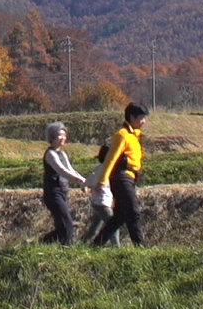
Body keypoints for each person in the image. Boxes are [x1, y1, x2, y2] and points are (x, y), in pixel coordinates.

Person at [91, 102, 148, 247]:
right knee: (132, 211)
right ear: (132, 117)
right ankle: (139, 245)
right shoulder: (122, 135)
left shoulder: (134, 135)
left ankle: (96, 245)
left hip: (130, 176)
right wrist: (102, 180)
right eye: (141, 118)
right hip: (121, 177)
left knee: (119, 217)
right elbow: (111, 158)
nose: (144, 122)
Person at [39, 121, 89, 244]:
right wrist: (79, 180)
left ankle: (43, 243)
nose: (63, 138)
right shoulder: (50, 154)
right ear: (52, 137)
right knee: (67, 224)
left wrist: (83, 180)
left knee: (62, 227)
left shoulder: (62, 153)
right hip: (53, 193)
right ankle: (66, 249)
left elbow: (70, 169)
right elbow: (61, 170)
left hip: (63, 192)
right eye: (60, 135)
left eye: (64, 135)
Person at [79, 141, 119, 246]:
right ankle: (117, 248)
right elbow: (90, 180)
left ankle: (82, 245)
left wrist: (85, 186)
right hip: (102, 202)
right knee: (112, 225)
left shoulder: (103, 168)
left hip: (100, 202)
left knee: (94, 229)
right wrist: (85, 186)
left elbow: (88, 180)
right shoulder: (103, 168)